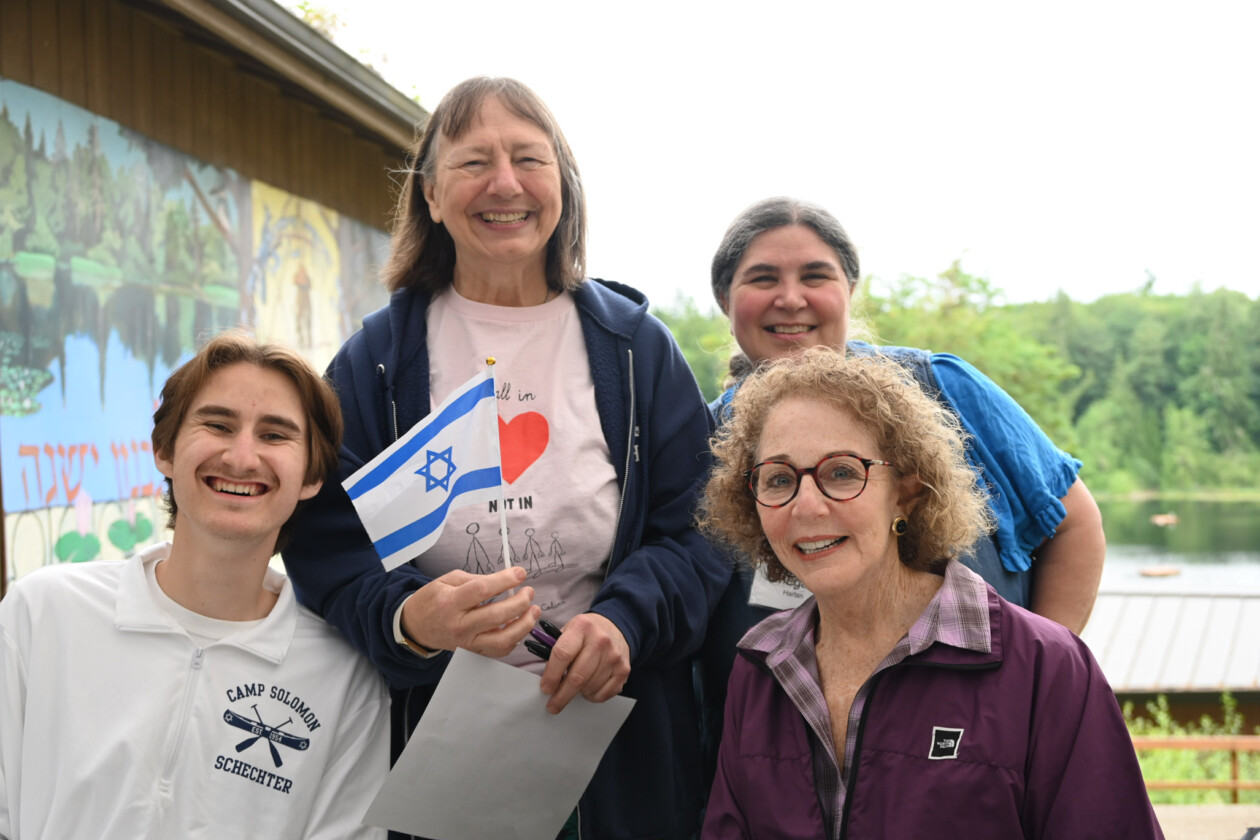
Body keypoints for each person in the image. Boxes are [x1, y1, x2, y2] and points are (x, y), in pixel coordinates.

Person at [281, 77, 727, 840]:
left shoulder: (634, 351)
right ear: (429, 194)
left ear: (564, 187)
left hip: (614, 751)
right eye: (473, 162)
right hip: (436, 748)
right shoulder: (376, 360)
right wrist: (406, 619)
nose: (506, 184)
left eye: (529, 158)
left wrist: (624, 622)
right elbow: (324, 541)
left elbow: (701, 528)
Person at [697, 348, 1162, 838]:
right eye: (778, 479)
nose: (806, 506)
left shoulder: (1046, 667)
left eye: (841, 472)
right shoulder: (759, 671)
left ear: (907, 493)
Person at [0, 330, 390, 840]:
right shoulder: (42, 612)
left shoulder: (345, 674)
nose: (242, 457)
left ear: (313, 476)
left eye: (275, 435)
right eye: (218, 424)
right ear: (164, 449)